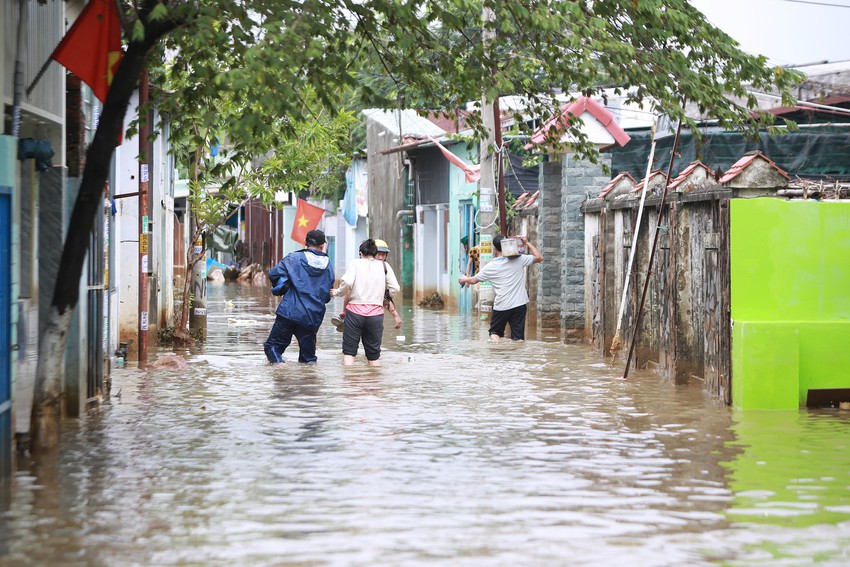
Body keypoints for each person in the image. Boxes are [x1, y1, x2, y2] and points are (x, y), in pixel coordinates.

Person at [263, 229, 335, 364]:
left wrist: (284, 284)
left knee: (272, 347)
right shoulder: (329, 266)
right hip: (312, 317)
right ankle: (309, 380)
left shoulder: (293, 258)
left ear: (305, 243)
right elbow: (327, 295)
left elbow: (274, 274)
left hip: (289, 312)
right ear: (322, 246)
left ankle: (280, 367)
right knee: (308, 359)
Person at [458, 234, 543, 342]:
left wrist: (464, 278)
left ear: (494, 248)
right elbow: (539, 257)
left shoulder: (490, 267)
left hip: (502, 305)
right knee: (518, 338)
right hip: (519, 305)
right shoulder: (519, 259)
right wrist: (526, 242)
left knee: (494, 333)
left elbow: (474, 280)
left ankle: (498, 354)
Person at [330, 238, 400, 366]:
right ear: (375, 253)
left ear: (361, 253)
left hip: (354, 314)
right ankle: (374, 383)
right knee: (373, 356)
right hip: (376, 315)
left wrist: (337, 292)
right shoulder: (384, 266)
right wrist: (382, 298)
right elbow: (395, 288)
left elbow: (348, 283)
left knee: (349, 353)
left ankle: (348, 382)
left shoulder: (355, 263)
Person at [333, 239, 402, 330]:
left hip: (356, 314)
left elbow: (385, 297)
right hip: (374, 315)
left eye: (383, 255)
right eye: (379, 254)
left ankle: (344, 318)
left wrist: (395, 315)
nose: (381, 258)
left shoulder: (382, 267)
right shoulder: (379, 268)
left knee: (351, 343)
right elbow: (392, 291)